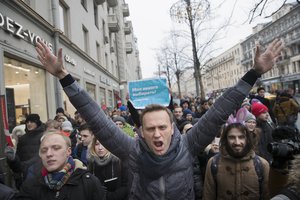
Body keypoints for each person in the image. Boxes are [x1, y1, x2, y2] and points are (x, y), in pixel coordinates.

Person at [36, 38, 283, 199]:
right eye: (150, 128)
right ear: (140, 131)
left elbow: (220, 110)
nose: (156, 133)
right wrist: (64, 76)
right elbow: (96, 118)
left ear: (172, 128)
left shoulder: (189, 145)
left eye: (162, 127)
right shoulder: (131, 150)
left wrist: (254, 73)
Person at [16, 131, 105, 200]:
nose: (49, 154)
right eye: (44, 150)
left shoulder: (88, 183)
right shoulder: (30, 185)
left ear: (68, 151)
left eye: (56, 148)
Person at [203, 123, 270, 200]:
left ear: (247, 139)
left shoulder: (262, 164)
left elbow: (267, 196)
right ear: (225, 139)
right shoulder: (214, 163)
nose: (237, 142)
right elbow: (208, 195)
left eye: (241, 137)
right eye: (232, 137)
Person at [6, 113, 45, 189]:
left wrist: (26, 165)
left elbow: (42, 155)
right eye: (27, 122)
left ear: (37, 123)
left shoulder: (43, 136)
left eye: (32, 122)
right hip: (24, 174)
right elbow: (19, 156)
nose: (29, 124)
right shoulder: (22, 139)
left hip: (40, 172)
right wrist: (13, 159)